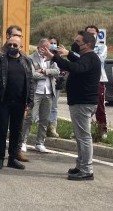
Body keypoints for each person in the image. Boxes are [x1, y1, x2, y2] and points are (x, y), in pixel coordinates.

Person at [41, 30, 102, 180]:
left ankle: (87, 170)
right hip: (80, 102)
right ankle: (81, 165)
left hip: (83, 103)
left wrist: (54, 57)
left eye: (78, 42)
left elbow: (75, 67)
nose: (75, 44)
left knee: (84, 137)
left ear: (88, 44)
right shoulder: (86, 57)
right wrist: (67, 53)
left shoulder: (91, 58)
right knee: (80, 137)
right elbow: (77, 60)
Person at [0, 34, 34, 170]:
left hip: (20, 102)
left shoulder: (26, 61)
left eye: (15, 45)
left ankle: (12, 158)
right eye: (10, 45)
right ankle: (0, 158)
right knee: (2, 129)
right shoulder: (0, 60)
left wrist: (30, 101)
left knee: (16, 130)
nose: (12, 47)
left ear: (21, 47)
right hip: (3, 101)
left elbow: (30, 82)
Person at [22, 38, 59, 154]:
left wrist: (43, 71)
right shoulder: (30, 58)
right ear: (38, 48)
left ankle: (40, 143)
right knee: (30, 118)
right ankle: (23, 142)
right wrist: (48, 74)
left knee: (44, 119)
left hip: (48, 92)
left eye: (48, 48)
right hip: (35, 92)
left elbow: (57, 71)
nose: (46, 50)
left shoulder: (51, 58)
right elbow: (31, 74)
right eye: (44, 48)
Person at [85, 26, 109, 136]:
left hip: (99, 79)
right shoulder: (80, 47)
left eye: (93, 33)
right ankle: (82, 129)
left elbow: (98, 59)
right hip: (84, 79)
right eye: (88, 33)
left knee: (99, 106)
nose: (90, 35)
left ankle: (102, 130)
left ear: (97, 34)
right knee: (83, 106)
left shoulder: (102, 47)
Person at [47, 36, 65, 139]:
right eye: (51, 43)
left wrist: (57, 77)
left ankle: (52, 128)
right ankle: (43, 126)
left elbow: (62, 71)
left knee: (54, 106)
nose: (53, 45)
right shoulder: (43, 55)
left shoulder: (59, 57)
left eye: (55, 43)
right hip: (44, 84)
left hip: (57, 85)